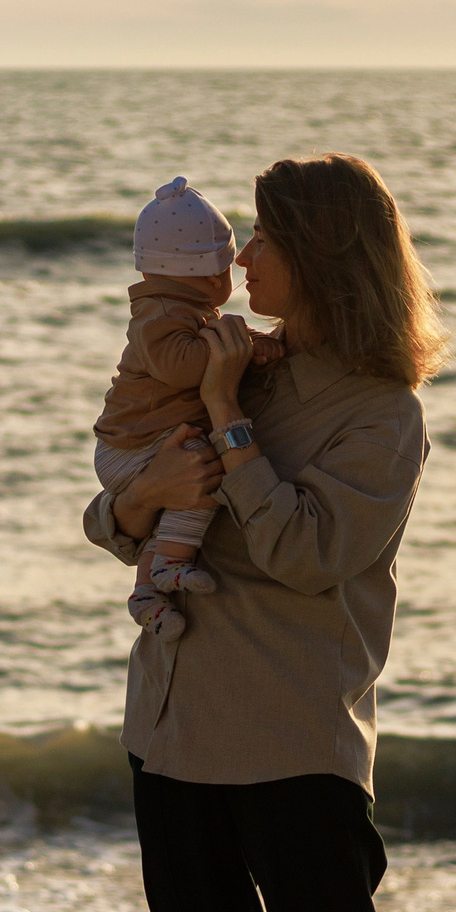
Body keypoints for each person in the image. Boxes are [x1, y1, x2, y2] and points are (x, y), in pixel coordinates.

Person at [80, 152, 445, 912]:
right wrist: (144, 493)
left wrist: (230, 426)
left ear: (322, 256)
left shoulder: (380, 415)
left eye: (265, 236)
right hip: (172, 724)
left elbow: (302, 551)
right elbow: (112, 511)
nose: (241, 256)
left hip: (294, 744)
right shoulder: (230, 359)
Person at [91, 177, 285, 640]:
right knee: (204, 471)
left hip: (139, 446)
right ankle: (171, 563)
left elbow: (209, 341)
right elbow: (182, 365)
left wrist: (251, 343)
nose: (240, 266)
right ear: (211, 276)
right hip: (131, 448)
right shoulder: (162, 316)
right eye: (229, 264)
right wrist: (239, 353)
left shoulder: (181, 313)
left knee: (184, 491)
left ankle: (147, 591)